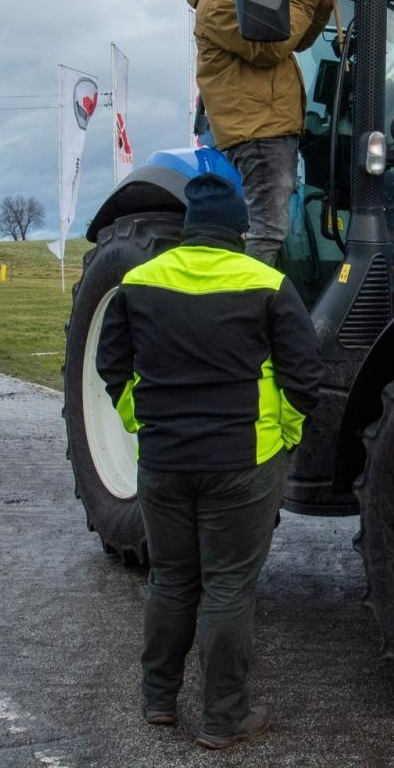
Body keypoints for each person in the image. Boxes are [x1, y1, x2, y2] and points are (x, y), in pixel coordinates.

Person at [96, 173, 323, 750]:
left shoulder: (138, 281)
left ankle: (158, 701)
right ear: (239, 229)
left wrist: (140, 422)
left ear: (189, 228)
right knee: (228, 586)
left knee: (171, 580)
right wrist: (284, 438)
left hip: (164, 461)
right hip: (244, 460)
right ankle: (224, 718)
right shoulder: (268, 282)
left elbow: (111, 366)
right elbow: (303, 377)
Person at [188, 0, 335, 266]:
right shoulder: (219, 4)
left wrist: (321, 7)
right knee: (267, 231)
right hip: (258, 131)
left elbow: (293, 40)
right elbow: (271, 46)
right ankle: (254, 307)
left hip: (266, 128)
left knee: (272, 227)